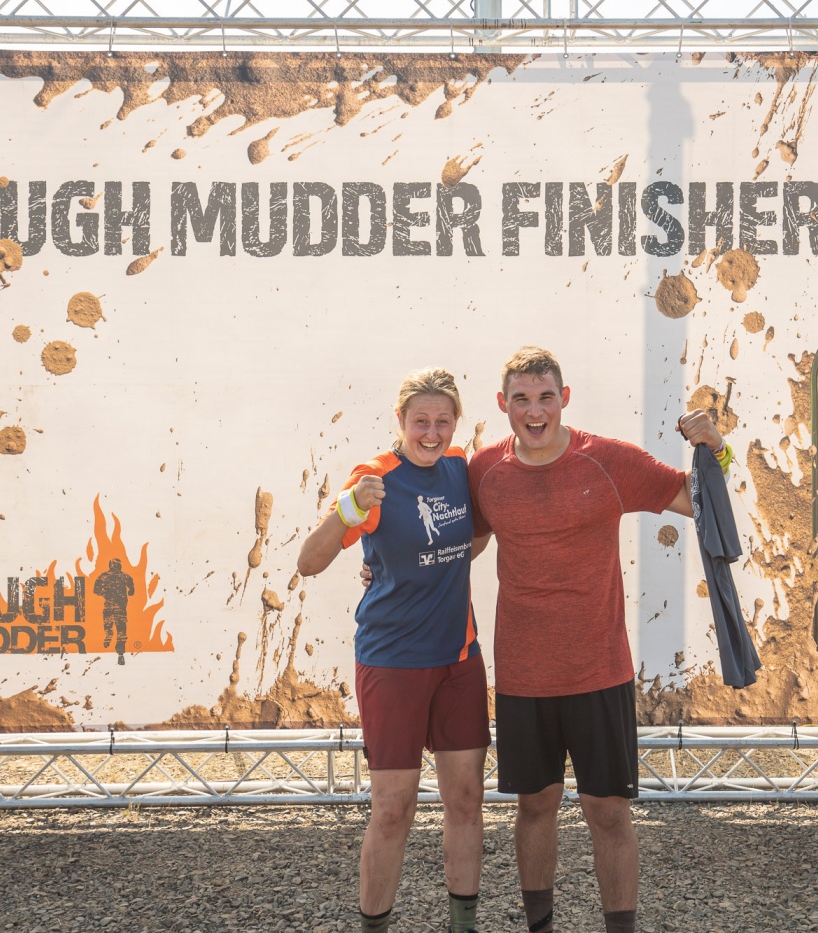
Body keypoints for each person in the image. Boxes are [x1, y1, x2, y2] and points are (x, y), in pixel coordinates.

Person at [467, 346, 727, 933]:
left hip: (599, 672)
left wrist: (717, 447)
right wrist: (390, 566)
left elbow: (699, 500)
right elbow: (461, 541)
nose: (535, 411)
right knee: (535, 806)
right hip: (524, 677)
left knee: (607, 812)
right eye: (522, 399)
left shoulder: (607, 460)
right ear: (503, 404)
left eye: (546, 397)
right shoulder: (484, 470)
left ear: (565, 398)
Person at [298, 368, 491, 933]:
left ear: (456, 423)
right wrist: (349, 510)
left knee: (466, 800)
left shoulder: (460, 467)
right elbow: (308, 562)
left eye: (442, 421)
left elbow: (476, 536)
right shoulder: (374, 478)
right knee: (392, 809)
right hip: (393, 663)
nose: (431, 433)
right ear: (400, 420)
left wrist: (427, 566)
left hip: (459, 659)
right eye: (420, 421)